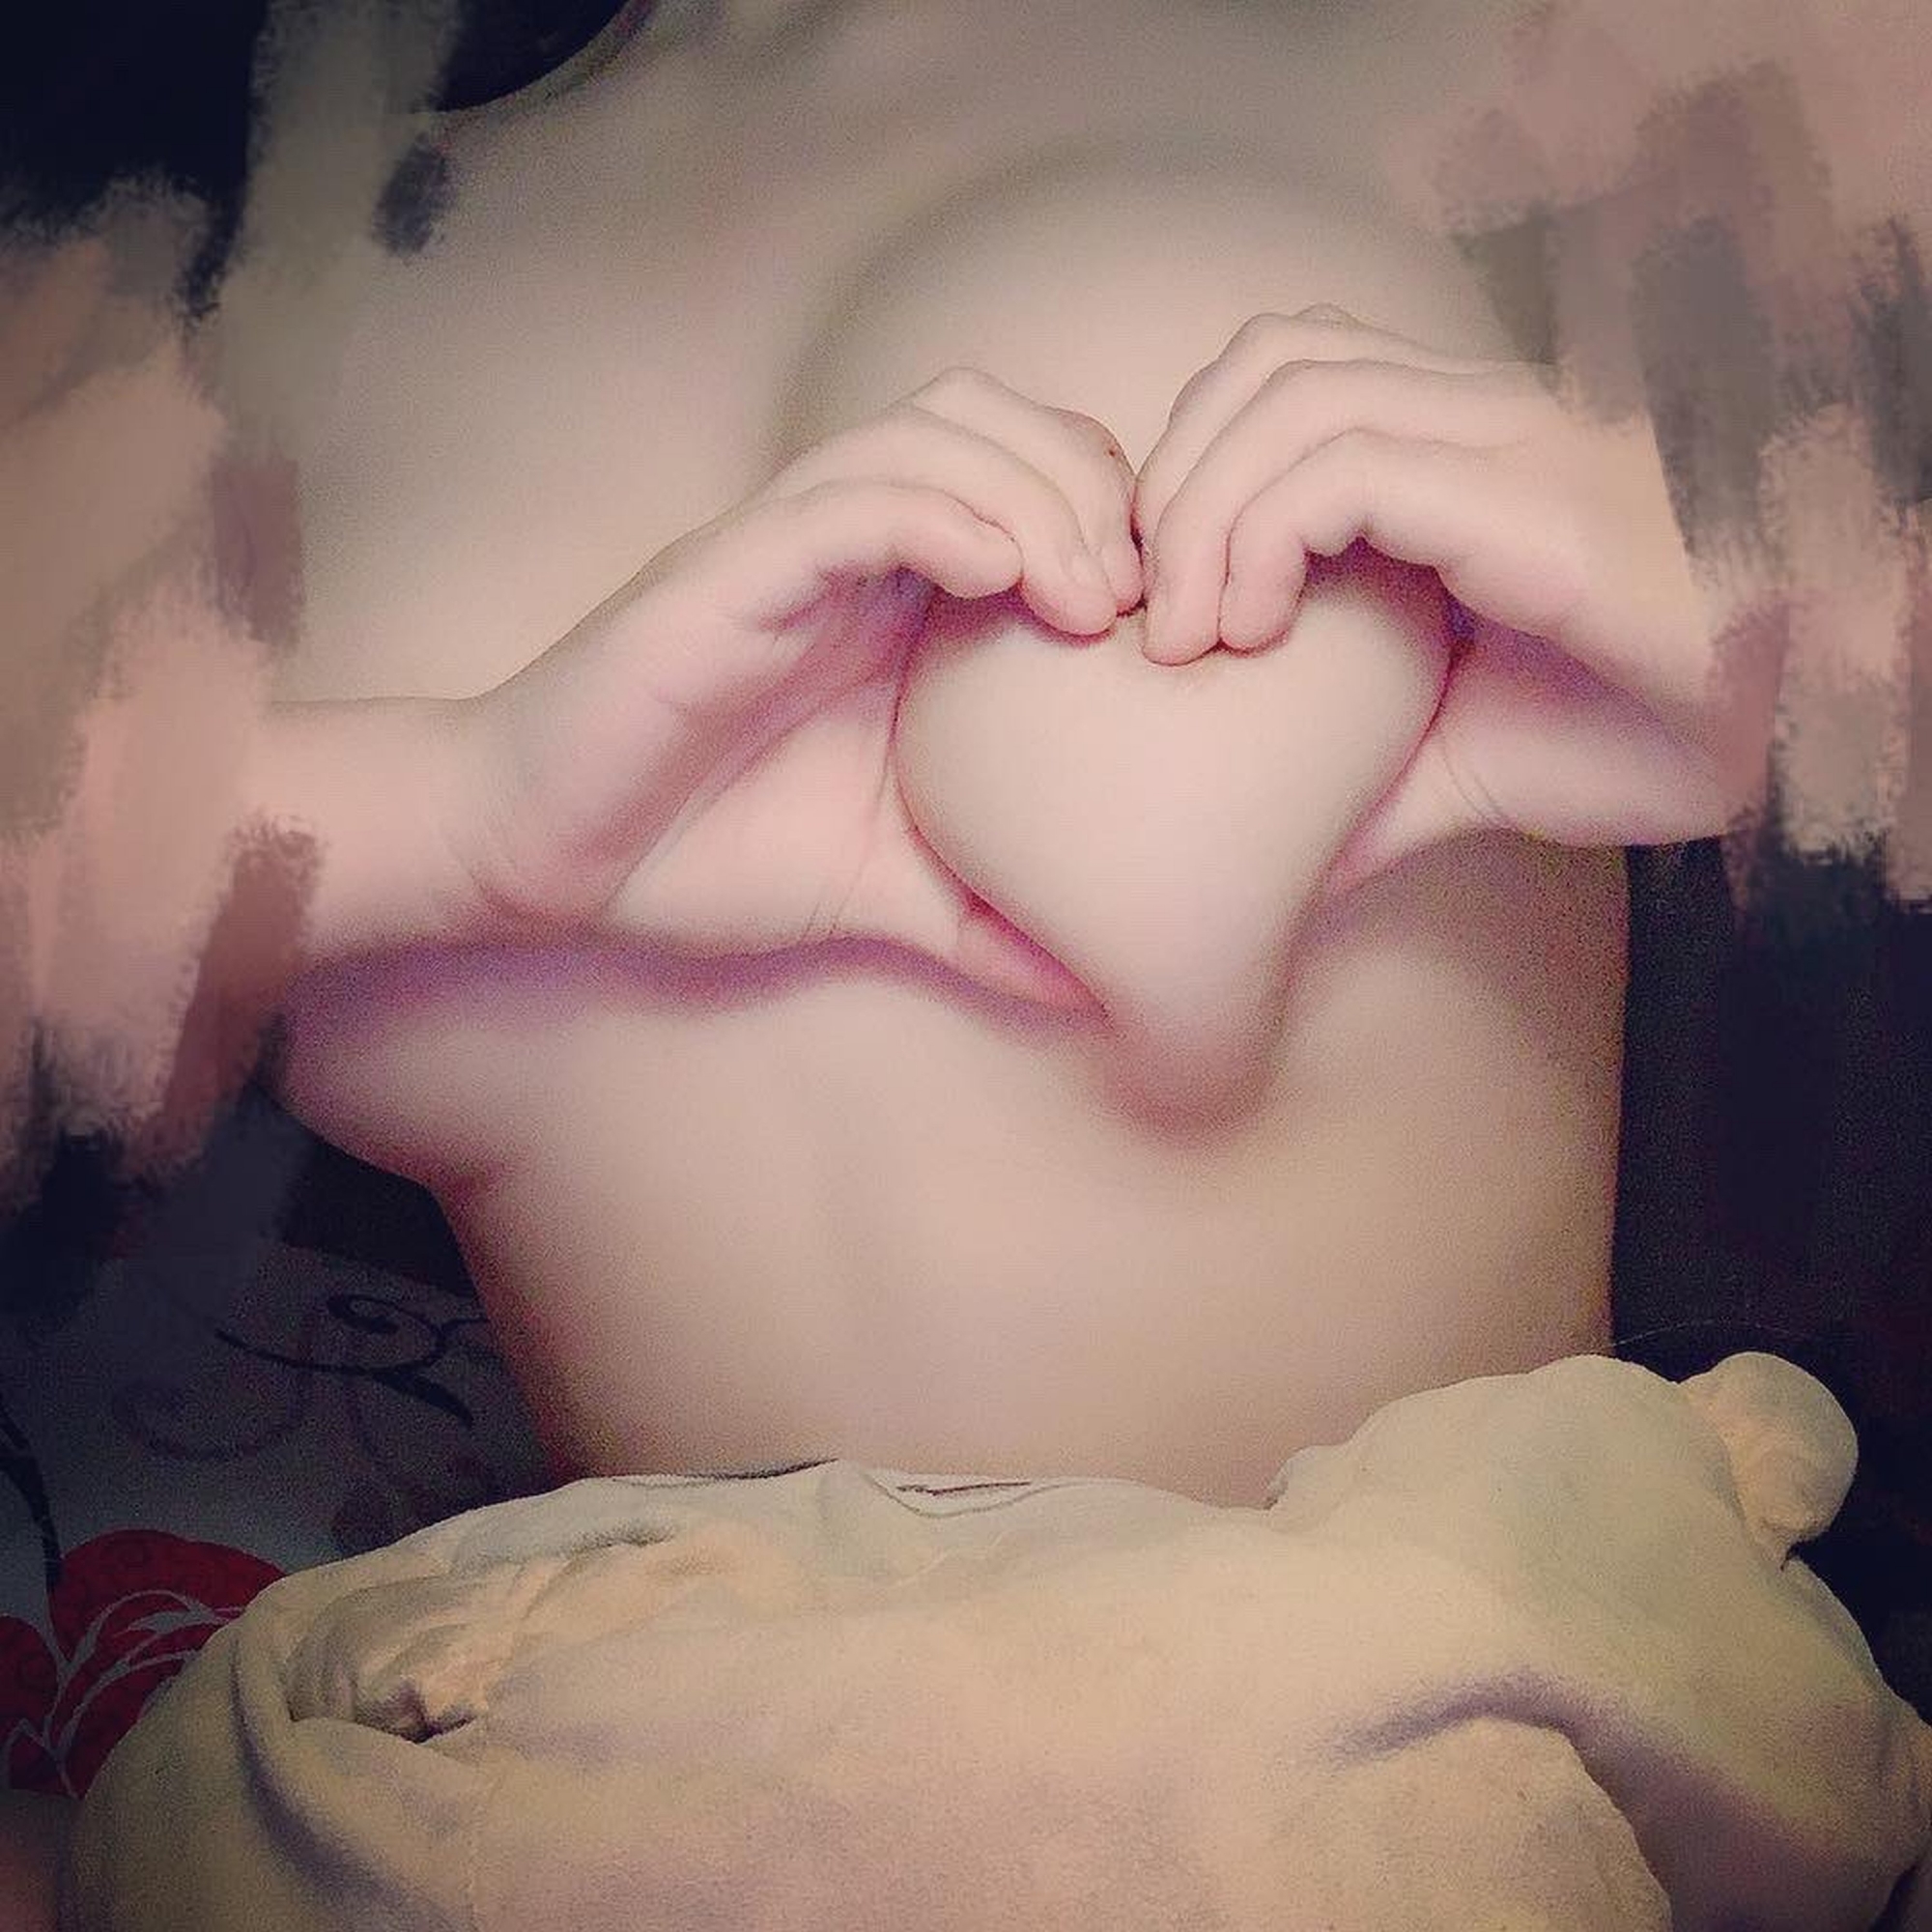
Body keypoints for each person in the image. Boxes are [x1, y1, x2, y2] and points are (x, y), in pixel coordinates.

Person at [10, 0, 1931, 1919]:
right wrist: (458, 816)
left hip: (1434, 1773)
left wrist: (1817, 642)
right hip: (490, 1807)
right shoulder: (206, 261)